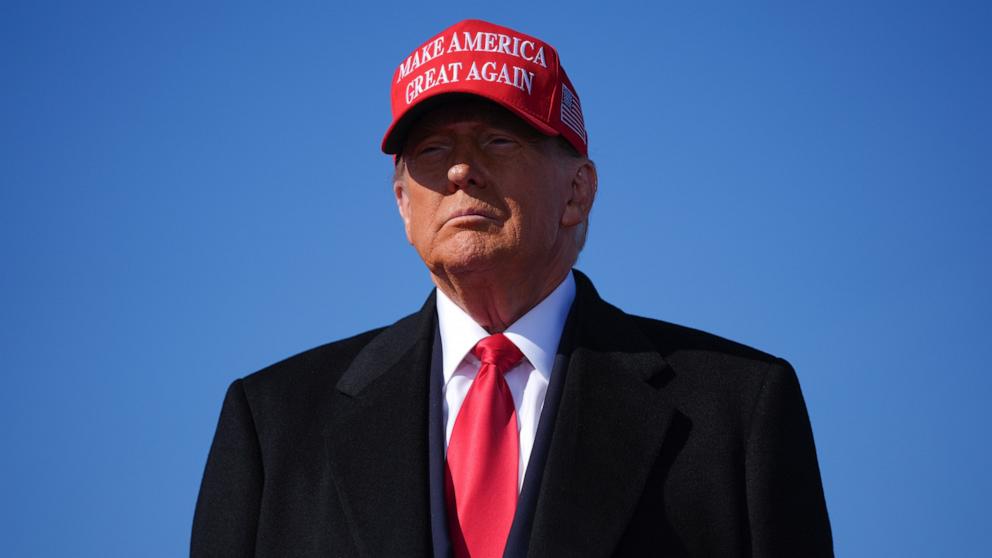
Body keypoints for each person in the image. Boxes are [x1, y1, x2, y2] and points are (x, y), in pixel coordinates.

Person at [192, 19, 832, 557]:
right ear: (401, 203)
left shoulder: (737, 410)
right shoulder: (274, 425)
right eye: (432, 150)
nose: (462, 170)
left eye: (498, 139)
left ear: (577, 190)